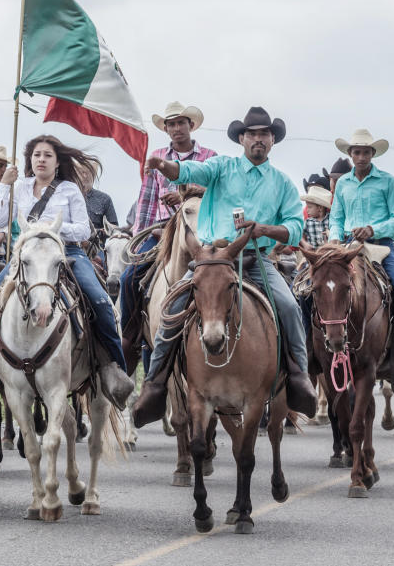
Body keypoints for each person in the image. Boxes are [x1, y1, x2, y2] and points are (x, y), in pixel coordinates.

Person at [132, 106, 319, 425]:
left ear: (272, 140)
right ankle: (155, 385)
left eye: (264, 134)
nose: (258, 139)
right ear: (242, 139)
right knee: (172, 306)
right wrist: (162, 165)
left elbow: (295, 227)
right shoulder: (220, 167)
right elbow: (189, 173)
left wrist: (265, 229)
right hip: (213, 258)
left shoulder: (283, 184)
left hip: (257, 259)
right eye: (252, 134)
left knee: (288, 307)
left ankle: (299, 378)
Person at [0, 135, 134, 409]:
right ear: (30, 161)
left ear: (57, 163)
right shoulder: (18, 186)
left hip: (66, 254)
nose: (41, 159)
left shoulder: (69, 189)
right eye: (36, 155)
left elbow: (82, 229)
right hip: (27, 256)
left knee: (100, 301)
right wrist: (5, 187)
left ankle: (113, 368)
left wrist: (49, 228)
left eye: (47, 155)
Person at [119, 101, 217, 369]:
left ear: (191, 126)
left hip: (201, 229)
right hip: (162, 228)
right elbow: (147, 199)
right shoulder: (157, 156)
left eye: (180, 123)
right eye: (171, 124)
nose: (176, 128)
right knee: (130, 275)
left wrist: (188, 194)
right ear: (166, 129)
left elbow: (219, 193)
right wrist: (140, 235)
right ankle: (132, 334)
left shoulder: (210, 156)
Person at [325, 128, 394, 386]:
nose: (361, 156)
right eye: (356, 152)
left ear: (372, 154)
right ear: (350, 154)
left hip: (381, 247)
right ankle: (315, 353)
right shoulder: (343, 184)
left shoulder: (388, 181)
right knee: (312, 289)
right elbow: (336, 217)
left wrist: (373, 229)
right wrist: (335, 238)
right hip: (348, 247)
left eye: (366, 152)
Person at [301, 184, 332, 249]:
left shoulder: (331, 220)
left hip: (329, 253)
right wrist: (305, 244)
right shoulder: (308, 222)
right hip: (313, 254)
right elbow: (300, 235)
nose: (307, 210)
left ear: (320, 208)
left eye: (309, 207)